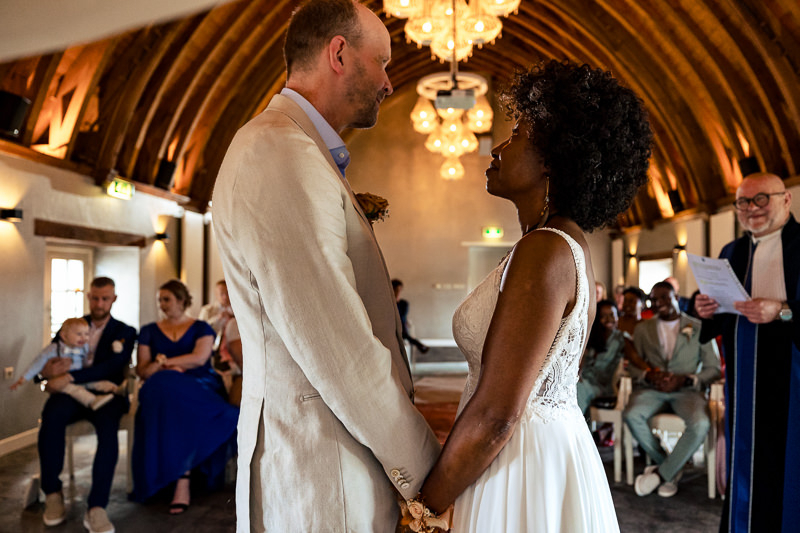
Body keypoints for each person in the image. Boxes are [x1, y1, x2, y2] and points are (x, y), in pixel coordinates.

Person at [211, 1, 440, 530]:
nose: (389, 81)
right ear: (339, 53)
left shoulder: (292, 148)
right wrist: (428, 475)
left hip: (330, 451)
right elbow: (338, 346)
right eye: (382, 62)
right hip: (322, 468)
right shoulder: (281, 152)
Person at [403, 60, 653, 532]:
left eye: (516, 134)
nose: (497, 147)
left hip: (519, 461)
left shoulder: (545, 250)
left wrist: (424, 509)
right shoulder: (564, 242)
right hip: (547, 447)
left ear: (552, 158)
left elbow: (497, 414)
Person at [695, 172, 799, 533]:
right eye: (743, 202)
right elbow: (722, 316)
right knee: (747, 463)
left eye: (761, 199)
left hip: (791, 378)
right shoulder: (732, 252)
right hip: (744, 379)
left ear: (786, 200)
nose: (751, 209)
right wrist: (706, 310)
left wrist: (782, 311)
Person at [34, 277, 136, 533]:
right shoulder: (72, 327)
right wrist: (43, 375)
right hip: (71, 395)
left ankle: (97, 507)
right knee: (52, 414)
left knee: (108, 432)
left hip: (107, 395)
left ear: (114, 299)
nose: (99, 303)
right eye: (95, 297)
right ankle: (53, 493)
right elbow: (51, 354)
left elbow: (112, 366)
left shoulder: (125, 331)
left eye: (105, 298)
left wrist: (69, 377)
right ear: (89, 297)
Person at [130, 280, 238, 514]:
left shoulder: (201, 328)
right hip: (161, 389)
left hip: (199, 383)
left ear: (181, 300)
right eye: (160, 300)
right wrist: (170, 367)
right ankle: (178, 475)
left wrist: (163, 362)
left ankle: (182, 477)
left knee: (170, 387)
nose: (162, 305)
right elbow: (143, 370)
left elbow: (199, 359)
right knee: (162, 385)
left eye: (166, 299)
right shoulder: (149, 331)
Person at [624, 281, 721, 498]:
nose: (659, 303)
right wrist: (648, 375)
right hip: (652, 389)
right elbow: (633, 366)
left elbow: (713, 369)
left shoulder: (698, 328)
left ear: (676, 298)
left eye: (665, 298)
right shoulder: (642, 329)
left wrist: (686, 380)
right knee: (631, 414)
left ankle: (660, 474)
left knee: (700, 422)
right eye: (655, 300)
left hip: (687, 391)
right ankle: (669, 468)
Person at [11, 317, 116, 409]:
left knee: (94, 383)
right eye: (79, 334)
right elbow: (38, 363)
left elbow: (89, 362)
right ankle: (92, 401)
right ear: (64, 336)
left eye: (86, 334)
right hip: (61, 380)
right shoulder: (54, 349)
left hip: (78, 377)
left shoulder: (84, 348)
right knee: (75, 390)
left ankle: (114, 388)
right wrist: (24, 378)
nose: (84, 338)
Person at [577, 300, 626, 415]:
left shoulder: (621, 339)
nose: (609, 319)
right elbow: (580, 363)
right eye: (603, 316)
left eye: (612, 315)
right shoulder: (591, 337)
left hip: (601, 386)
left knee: (579, 389)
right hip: (584, 381)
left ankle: (575, 428)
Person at [392, 278, 430, 354]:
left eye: (399, 290)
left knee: (404, 332)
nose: (398, 292)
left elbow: (402, 316)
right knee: (404, 334)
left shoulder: (403, 303)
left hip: (402, 327)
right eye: (396, 290)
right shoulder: (390, 304)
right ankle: (420, 345)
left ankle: (419, 345)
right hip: (395, 327)